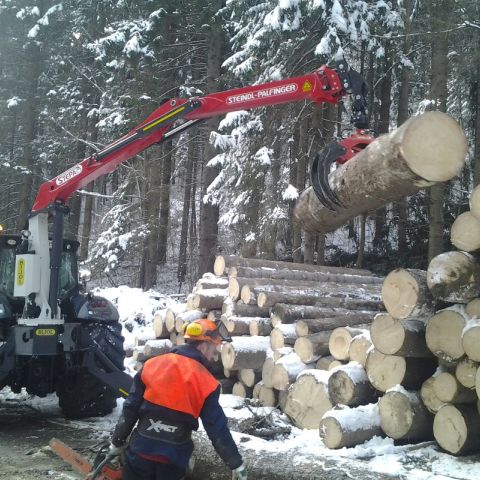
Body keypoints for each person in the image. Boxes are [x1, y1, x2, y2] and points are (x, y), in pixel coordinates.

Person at [109, 318, 247, 480]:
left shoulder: (152, 365)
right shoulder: (207, 382)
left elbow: (130, 407)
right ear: (203, 346)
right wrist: (235, 463)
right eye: (213, 350)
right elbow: (217, 428)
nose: (213, 357)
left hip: (140, 452)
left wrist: (117, 442)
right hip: (173, 459)